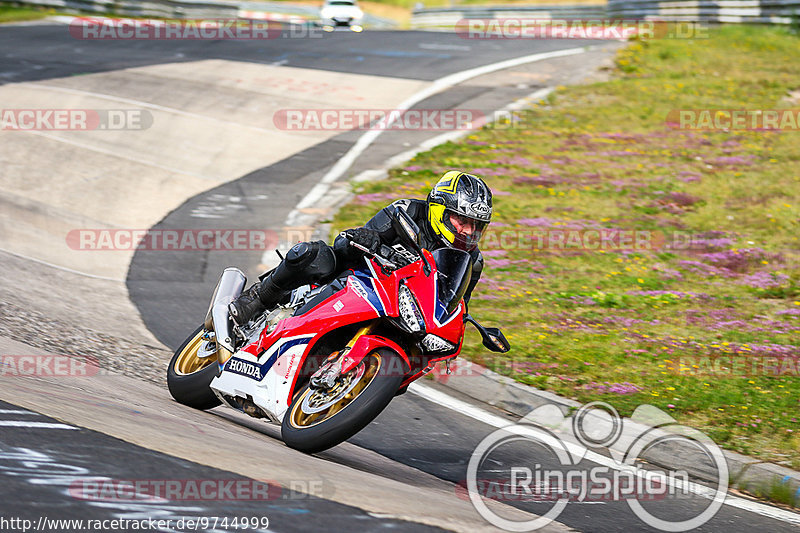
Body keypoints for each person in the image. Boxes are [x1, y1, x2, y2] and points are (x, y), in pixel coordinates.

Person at [228, 170, 493, 325]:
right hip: (359, 279)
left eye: (476, 225)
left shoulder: (473, 261)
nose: (468, 231)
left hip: (402, 310)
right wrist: (367, 240)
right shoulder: (406, 212)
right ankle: (258, 298)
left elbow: (457, 304)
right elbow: (347, 242)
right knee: (316, 255)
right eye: (462, 220)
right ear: (439, 209)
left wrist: (461, 324)